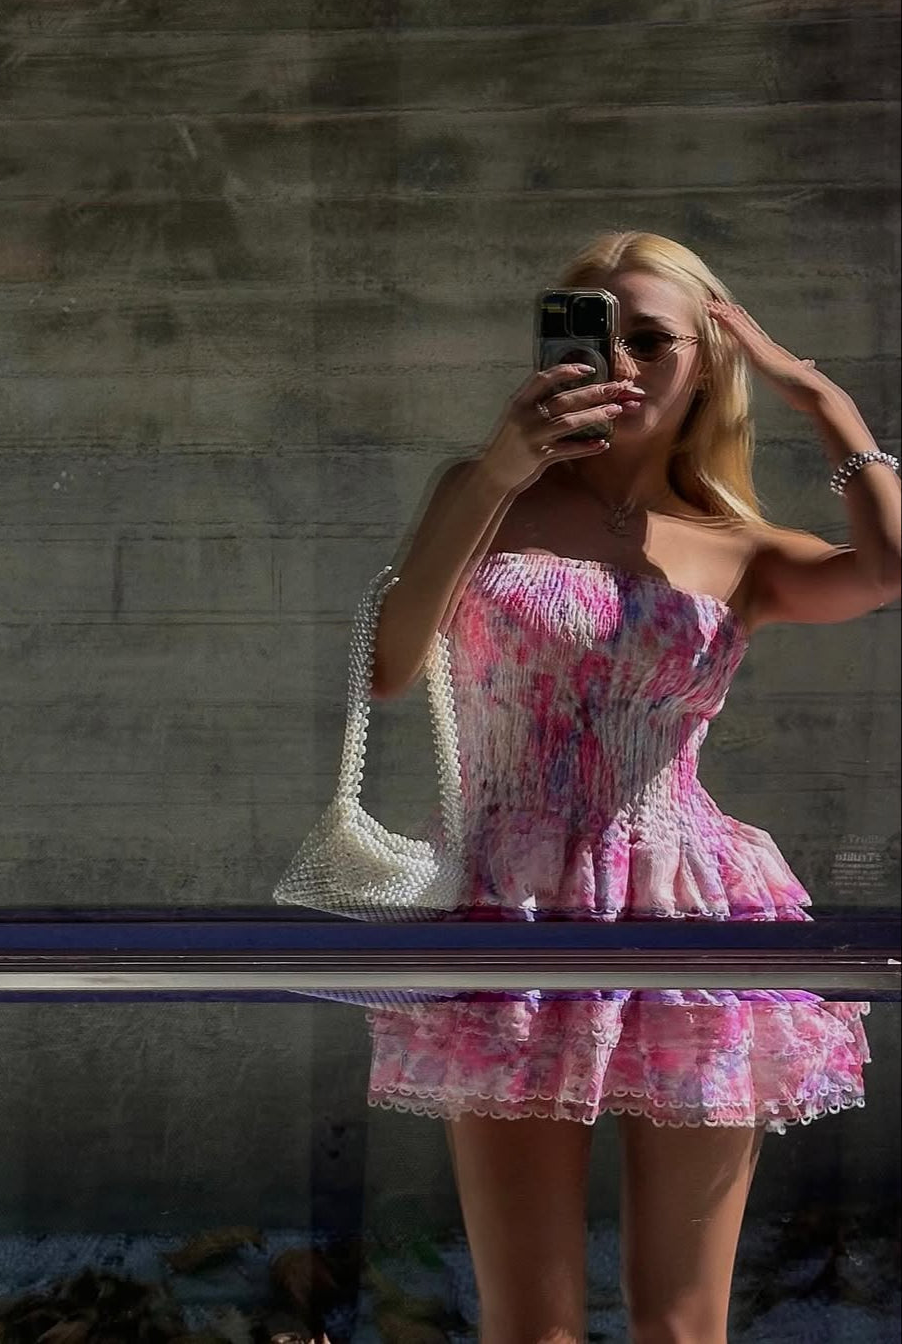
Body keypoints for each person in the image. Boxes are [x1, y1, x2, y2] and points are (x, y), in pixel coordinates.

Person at [364, 232, 901, 1344]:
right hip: (507, 910)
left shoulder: (738, 547)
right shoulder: (484, 492)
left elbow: (889, 571)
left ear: (704, 364)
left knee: (680, 1324)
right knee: (530, 1325)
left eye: (652, 340)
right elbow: (387, 665)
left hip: (690, 906)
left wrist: (824, 404)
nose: (618, 360)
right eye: (592, 334)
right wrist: (498, 469)